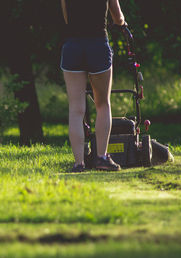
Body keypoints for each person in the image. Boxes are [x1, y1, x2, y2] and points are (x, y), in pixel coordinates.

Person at [60, 0, 126, 172]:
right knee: (102, 104)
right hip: (97, 44)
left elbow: (67, 19)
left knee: (76, 108)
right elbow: (118, 17)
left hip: (72, 46)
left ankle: (78, 163)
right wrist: (121, 22)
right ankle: (102, 158)